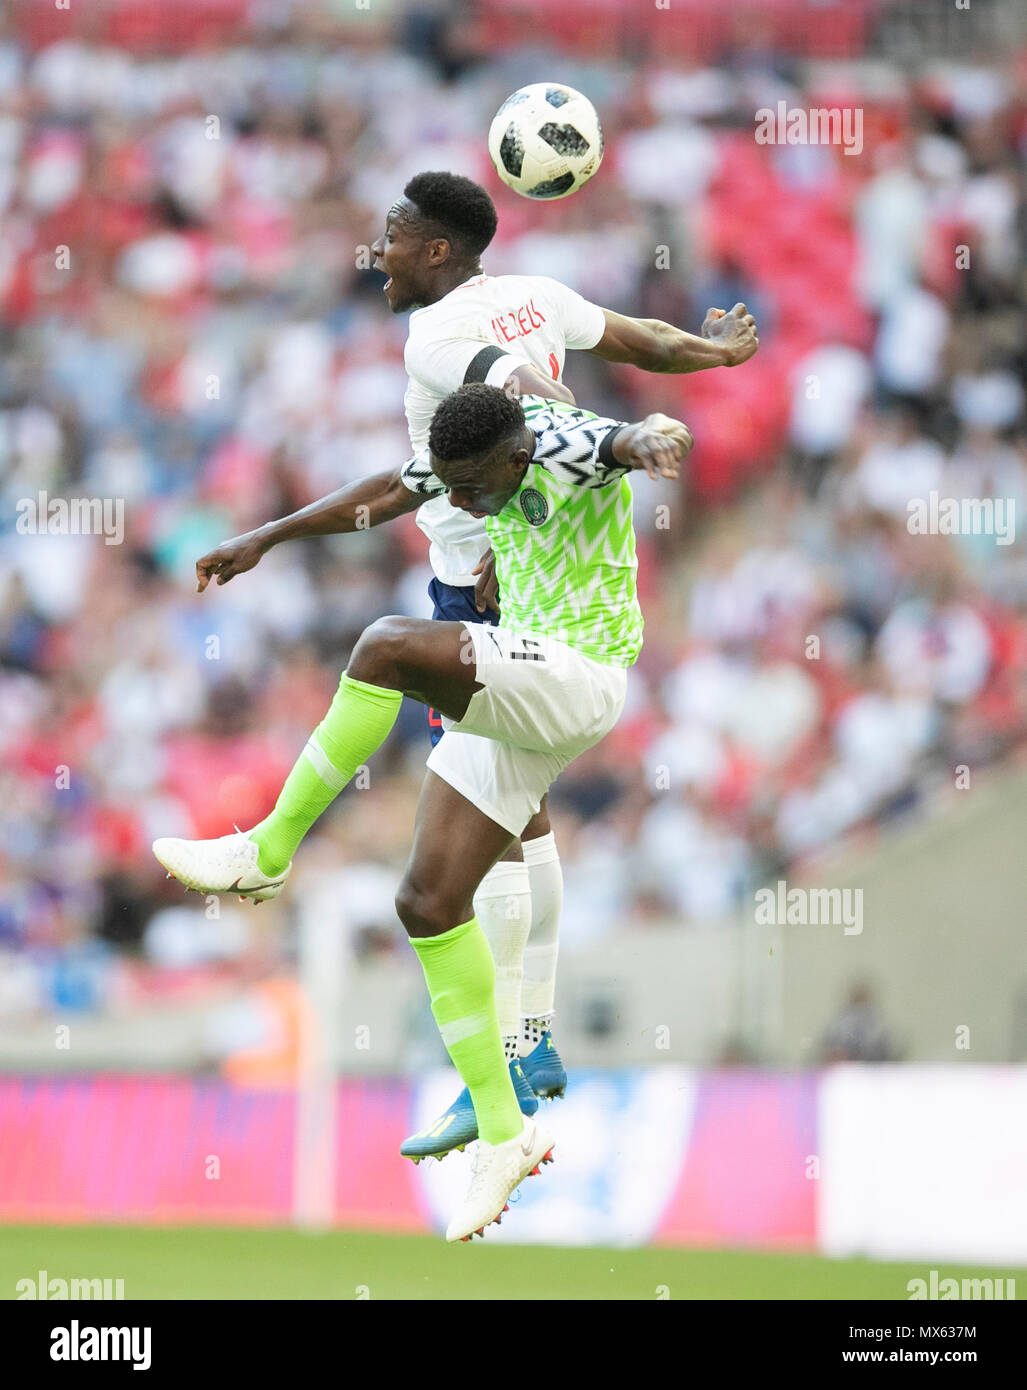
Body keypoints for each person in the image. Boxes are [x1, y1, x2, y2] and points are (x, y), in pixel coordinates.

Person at [196, 170, 757, 1156]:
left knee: (467, 782)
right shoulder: (536, 294)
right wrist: (705, 354)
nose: (378, 251)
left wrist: (615, 439)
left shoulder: (443, 343)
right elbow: (640, 343)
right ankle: (519, 1064)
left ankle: (275, 855)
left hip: (486, 587)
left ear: (440, 250)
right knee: (471, 851)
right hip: (514, 573)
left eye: (394, 235)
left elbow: (523, 404)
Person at [154, 383, 691, 1240]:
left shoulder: (558, 443)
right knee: (427, 902)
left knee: (386, 646)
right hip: (529, 687)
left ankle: (268, 849)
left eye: (474, 488)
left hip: (576, 674)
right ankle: (505, 1135)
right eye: (453, 488)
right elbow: (382, 495)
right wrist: (265, 536)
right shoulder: (472, 459)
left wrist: (656, 435)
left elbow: (624, 439)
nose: (463, 505)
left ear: (516, 458)